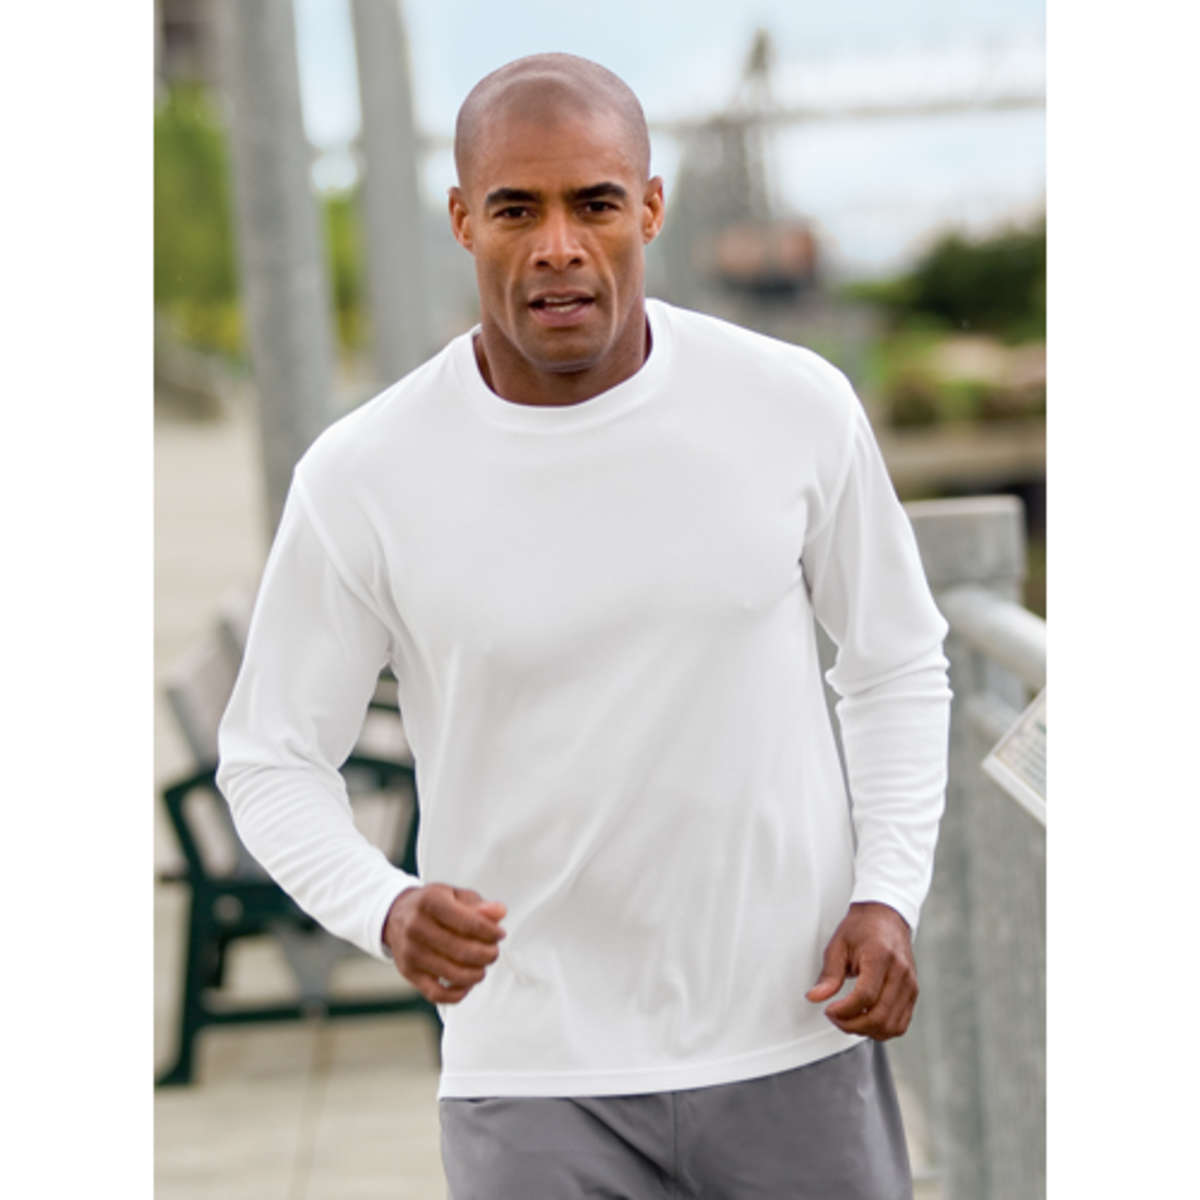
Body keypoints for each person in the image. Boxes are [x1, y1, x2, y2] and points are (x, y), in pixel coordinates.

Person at [218, 51, 951, 1200]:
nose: (558, 244)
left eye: (595, 203)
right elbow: (270, 758)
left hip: (792, 1032)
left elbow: (896, 665)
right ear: (463, 220)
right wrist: (383, 907)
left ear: (648, 209)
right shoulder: (364, 475)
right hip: (530, 1073)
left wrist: (888, 893)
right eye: (517, 209)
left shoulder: (793, 405)